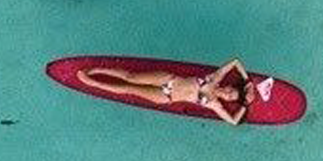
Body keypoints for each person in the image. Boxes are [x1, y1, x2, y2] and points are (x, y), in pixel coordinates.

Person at [77, 58, 256, 125]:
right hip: (168, 80)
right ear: (230, 86)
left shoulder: (214, 104)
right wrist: (248, 82)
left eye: (230, 97)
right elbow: (235, 62)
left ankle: (92, 83)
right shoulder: (215, 78)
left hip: (166, 97)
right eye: (231, 91)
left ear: (228, 100)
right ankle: (97, 70)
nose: (227, 94)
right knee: (131, 77)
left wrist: (245, 104)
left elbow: (233, 121)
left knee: (127, 89)